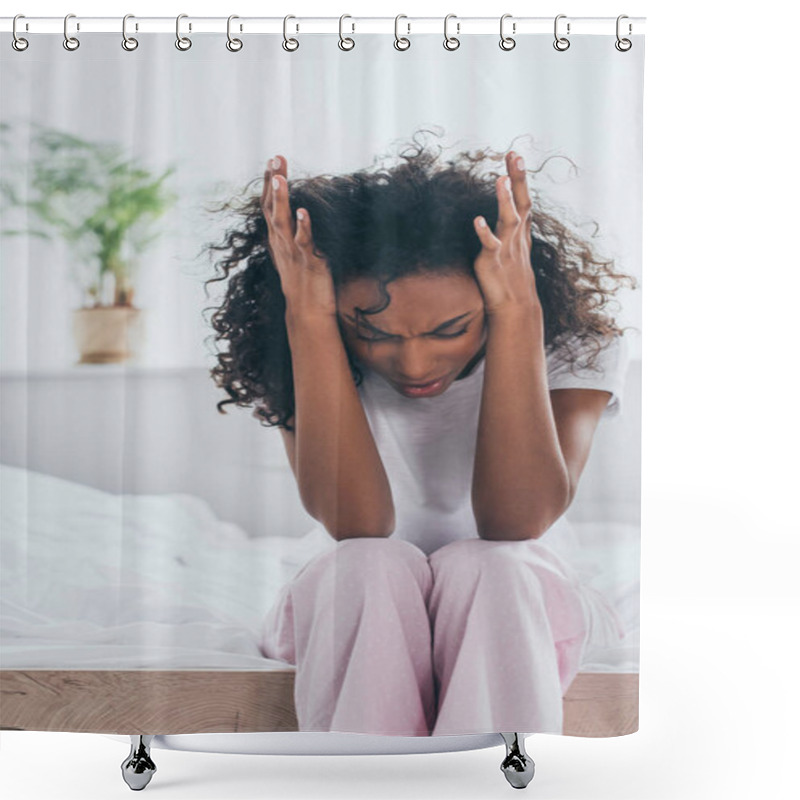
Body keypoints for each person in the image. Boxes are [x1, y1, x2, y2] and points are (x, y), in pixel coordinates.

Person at [203, 132, 638, 737]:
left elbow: (517, 521)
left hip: (521, 600)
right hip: (351, 602)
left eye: (448, 330)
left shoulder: (575, 349)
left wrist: (517, 314)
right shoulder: (305, 342)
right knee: (367, 565)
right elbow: (357, 524)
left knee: (494, 568)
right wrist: (307, 318)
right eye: (375, 335)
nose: (412, 365)